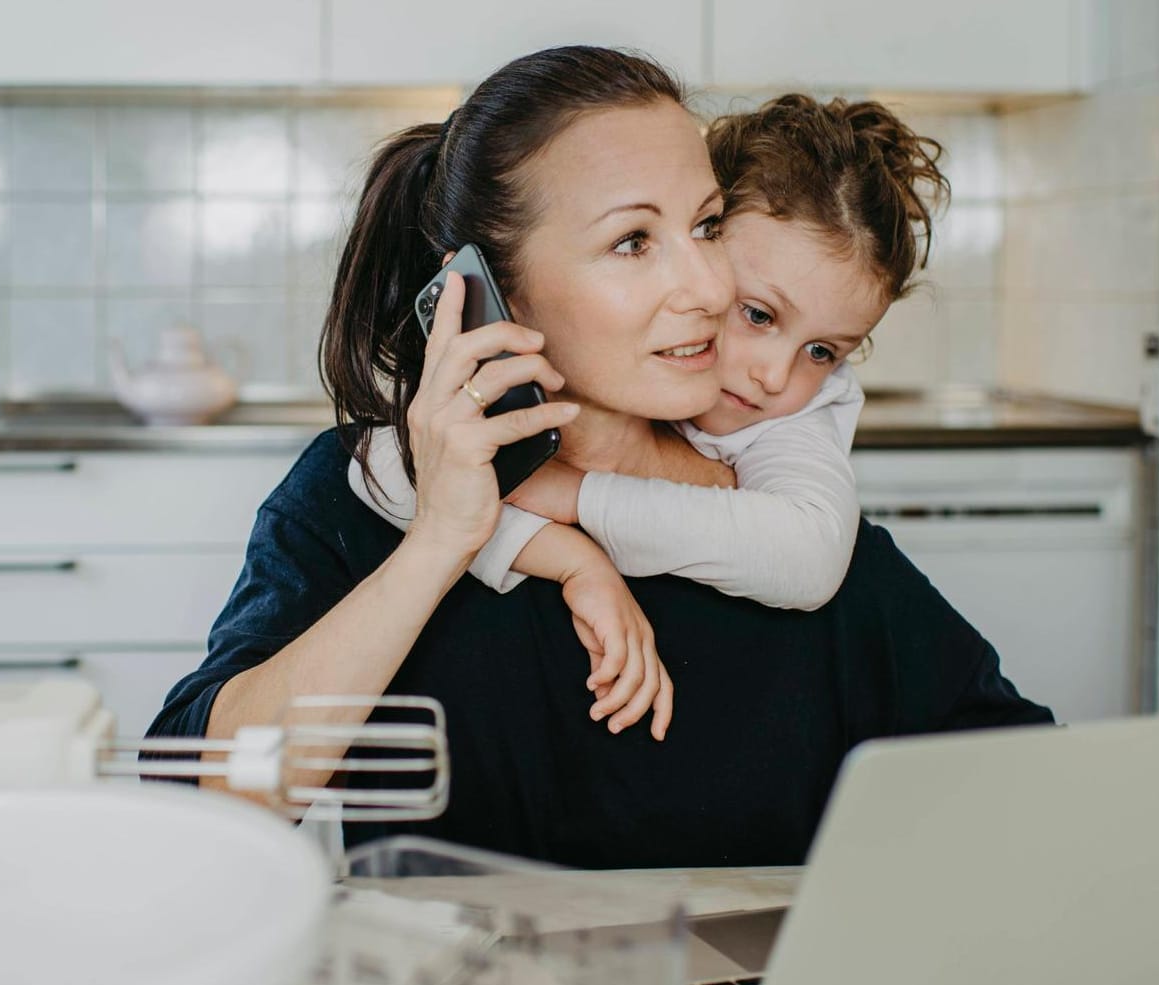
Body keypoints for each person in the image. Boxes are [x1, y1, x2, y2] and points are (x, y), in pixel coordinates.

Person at [148, 46, 1053, 869]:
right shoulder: (366, 496)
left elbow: (1020, 787)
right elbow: (206, 800)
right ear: (486, 286)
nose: (706, 287)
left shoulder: (792, 521)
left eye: (705, 227)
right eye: (631, 241)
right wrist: (442, 543)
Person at [345, 94, 949, 742]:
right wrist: (571, 559)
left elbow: (805, 557)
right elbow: (391, 466)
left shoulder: (794, 422)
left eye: (822, 351)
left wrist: (575, 496)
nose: (774, 377)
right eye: (757, 315)